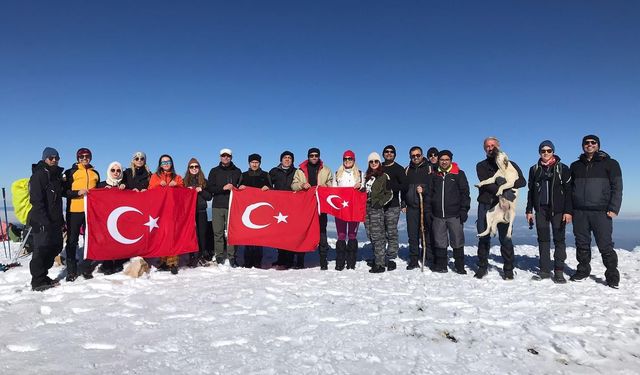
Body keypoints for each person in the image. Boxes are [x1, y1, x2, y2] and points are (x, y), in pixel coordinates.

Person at [568, 135, 623, 288]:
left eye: (593, 143)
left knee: (605, 245)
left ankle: (612, 275)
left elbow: (617, 187)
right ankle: (583, 270)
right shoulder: (576, 165)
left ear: (598, 145)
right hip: (579, 212)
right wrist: (570, 210)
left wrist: (614, 208)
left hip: (601, 212)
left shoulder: (610, 164)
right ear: (582, 146)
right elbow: (569, 190)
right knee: (582, 244)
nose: (590, 145)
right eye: (586, 143)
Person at [474, 137, 526, 280]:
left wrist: (508, 185)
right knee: (483, 237)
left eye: (493, 145)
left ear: (498, 146)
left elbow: (522, 181)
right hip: (486, 204)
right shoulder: (481, 165)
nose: (490, 148)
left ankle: (508, 269)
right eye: (487, 146)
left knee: (505, 238)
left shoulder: (510, 164)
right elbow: (487, 185)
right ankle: (482, 267)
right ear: (485, 149)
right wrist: (504, 186)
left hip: (505, 206)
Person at [525, 140, 572, 283]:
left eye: (549, 150)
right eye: (543, 151)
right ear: (539, 152)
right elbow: (531, 191)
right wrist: (529, 210)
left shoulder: (562, 168)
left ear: (553, 152)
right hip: (541, 210)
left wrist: (568, 211)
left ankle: (558, 271)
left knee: (559, 240)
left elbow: (569, 191)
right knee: (543, 240)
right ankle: (544, 270)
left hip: (558, 210)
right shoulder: (534, 169)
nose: (546, 153)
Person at [426, 150, 470, 274]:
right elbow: (429, 195)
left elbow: (465, 193)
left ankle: (459, 266)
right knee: (440, 241)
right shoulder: (434, 175)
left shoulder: (458, 174)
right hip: (438, 214)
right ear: (438, 161)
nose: (444, 161)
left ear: (450, 160)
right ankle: (441, 265)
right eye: (442, 159)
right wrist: (429, 211)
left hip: (455, 214)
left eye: (446, 159)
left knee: (457, 240)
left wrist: (464, 210)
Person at [29, 147, 65, 291]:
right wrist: (43, 221)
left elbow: (59, 198)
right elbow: (36, 201)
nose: (54, 160)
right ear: (45, 159)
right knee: (41, 249)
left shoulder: (56, 176)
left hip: (55, 221)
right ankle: (37, 280)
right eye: (51, 158)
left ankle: (43, 275)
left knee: (56, 247)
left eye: (57, 158)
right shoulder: (39, 175)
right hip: (41, 220)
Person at [292, 147, 333, 270]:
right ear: (308, 157)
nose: (314, 157)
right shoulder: (300, 171)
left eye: (316, 155)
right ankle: (300, 260)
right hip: (305, 206)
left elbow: (331, 184)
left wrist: (324, 186)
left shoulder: (326, 170)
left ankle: (323, 260)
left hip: (321, 205)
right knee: (303, 231)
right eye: (311, 155)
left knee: (322, 232)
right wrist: (302, 185)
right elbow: (293, 185)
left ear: (319, 156)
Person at [63, 147, 100, 282]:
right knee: (72, 240)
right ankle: (71, 271)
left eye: (87, 156)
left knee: (89, 239)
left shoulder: (95, 173)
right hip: (74, 211)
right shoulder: (71, 172)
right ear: (78, 158)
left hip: (90, 211)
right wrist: (77, 192)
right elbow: (64, 191)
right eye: (81, 156)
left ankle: (86, 267)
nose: (84, 158)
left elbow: (98, 191)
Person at [148, 154, 184, 274]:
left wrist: (177, 186)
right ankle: (162, 260)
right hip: (160, 211)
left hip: (174, 212)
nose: (166, 164)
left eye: (168, 161)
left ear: (172, 163)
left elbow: (184, 194)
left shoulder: (177, 177)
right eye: (163, 162)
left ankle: (172, 262)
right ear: (160, 165)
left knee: (172, 236)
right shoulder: (155, 177)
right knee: (162, 235)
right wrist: (159, 185)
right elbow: (150, 190)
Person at [207, 148, 242, 267]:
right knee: (218, 232)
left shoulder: (237, 171)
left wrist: (237, 187)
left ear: (231, 157)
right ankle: (219, 255)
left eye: (228, 156)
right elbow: (210, 188)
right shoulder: (214, 171)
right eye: (223, 156)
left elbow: (241, 187)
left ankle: (232, 256)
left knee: (232, 232)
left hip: (232, 205)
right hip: (217, 205)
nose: (225, 158)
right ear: (220, 157)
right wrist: (223, 188)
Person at [238, 153, 272, 268]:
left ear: (260, 163)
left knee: (259, 237)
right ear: (249, 163)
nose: (254, 164)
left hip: (261, 210)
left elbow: (272, 190)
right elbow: (238, 190)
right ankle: (247, 261)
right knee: (248, 236)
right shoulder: (244, 175)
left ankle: (258, 261)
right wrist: (240, 188)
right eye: (252, 162)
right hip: (247, 209)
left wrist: (268, 188)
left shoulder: (265, 175)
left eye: (256, 162)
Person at [402, 146, 434, 270]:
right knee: (413, 234)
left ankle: (428, 258)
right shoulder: (407, 170)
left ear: (422, 155)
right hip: (411, 207)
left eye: (418, 155)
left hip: (426, 206)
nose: (415, 157)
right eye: (413, 156)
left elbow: (433, 186)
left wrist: (424, 190)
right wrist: (403, 203)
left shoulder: (429, 168)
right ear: (410, 156)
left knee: (427, 233)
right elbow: (404, 189)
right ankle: (414, 259)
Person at [332, 150, 363, 270]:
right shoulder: (337, 174)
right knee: (341, 234)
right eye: (345, 159)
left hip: (354, 208)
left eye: (350, 159)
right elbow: (333, 191)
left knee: (352, 234)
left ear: (354, 160)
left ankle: (351, 261)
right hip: (340, 208)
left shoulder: (360, 174)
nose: (347, 161)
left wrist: (361, 186)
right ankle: (340, 261)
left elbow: (365, 190)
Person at [96, 161, 127, 275]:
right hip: (105, 218)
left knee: (119, 239)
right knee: (107, 239)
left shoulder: (124, 185)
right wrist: (103, 191)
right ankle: (107, 262)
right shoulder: (101, 184)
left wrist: (126, 190)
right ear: (109, 171)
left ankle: (118, 261)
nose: (116, 172)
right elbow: (94, 198)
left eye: (118, 170)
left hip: (120, 218)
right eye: (113, 170)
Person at [364, 152, 393, 273]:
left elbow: (389, 193)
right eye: (371, 162)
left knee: (378, 236)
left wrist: (380, 203)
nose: (374, 163)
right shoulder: (367, 176)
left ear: (379, 162)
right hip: (366, 208)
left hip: (376, 209)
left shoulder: (384, 176)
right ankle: (377, 258)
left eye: (376, 161)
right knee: (370, 234)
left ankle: (380, 264)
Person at [269, 151, 297, 269]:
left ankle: (289, 259)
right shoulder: (274, 171)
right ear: (281, 160)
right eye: (285, 157)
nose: (287, 159)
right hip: (278, 206)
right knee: (280, 233)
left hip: (292, 206)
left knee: (290, 233)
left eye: (289, 158)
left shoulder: (297, 172)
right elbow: (268, 184)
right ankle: (281, 258)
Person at [183, 158, 212, 267]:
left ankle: (202, 255)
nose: (194, 168)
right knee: (190, 234)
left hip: (201, 210)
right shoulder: (184, 181)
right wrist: (187, 191)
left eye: (196, 166)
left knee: (202, 233)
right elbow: (180, 197)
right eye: (192, 167)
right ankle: (191, 255)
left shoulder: (204, 181)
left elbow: (209, 197)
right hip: (189, 212)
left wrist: (201, 191)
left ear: (199, 168)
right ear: (188, 168)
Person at [381, 145, 405, 271]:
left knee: (391, 231)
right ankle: (380, 254)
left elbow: (404, 185)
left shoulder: (399, 169)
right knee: (380, 231)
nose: (389, 154)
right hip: (379, 205)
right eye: (386, 152)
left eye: (391, 152)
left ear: (394, 155)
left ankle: (391, 255)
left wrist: (390, 186)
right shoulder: (378, 167)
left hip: (393, 205)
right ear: (383, 154)